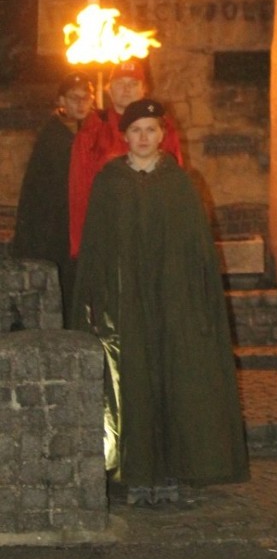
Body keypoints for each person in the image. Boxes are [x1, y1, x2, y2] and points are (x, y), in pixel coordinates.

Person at [71, 98, 249, 506]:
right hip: (126, 301)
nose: (144, 138)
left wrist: (196, 301)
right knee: (132, 380)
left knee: (175, 378)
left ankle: (171, 472)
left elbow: (198, 251)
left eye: (151, 130)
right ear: (125, 135)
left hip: (173, 301)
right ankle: (137, 473)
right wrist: (97, 300)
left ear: (164, 134)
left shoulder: (180, 183)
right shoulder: (110, 181)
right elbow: (97, 247)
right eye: (136, 130)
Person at [68, 58, 183, 258]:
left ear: (143, 89)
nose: (127, 89)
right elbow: (80, 187)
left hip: (153, 230)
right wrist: (81, 243)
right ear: (109, 89)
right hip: (110, 229)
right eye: (120, 83)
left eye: (133, 84)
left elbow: (175, 181)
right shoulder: (94, 129)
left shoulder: (162, 128)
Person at [11, 72, 98, 323]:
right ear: (62, 100)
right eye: (74, 98)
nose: (80, 103)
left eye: (86, 97)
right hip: (55, 232)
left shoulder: (88, 133)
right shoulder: (55, 137)